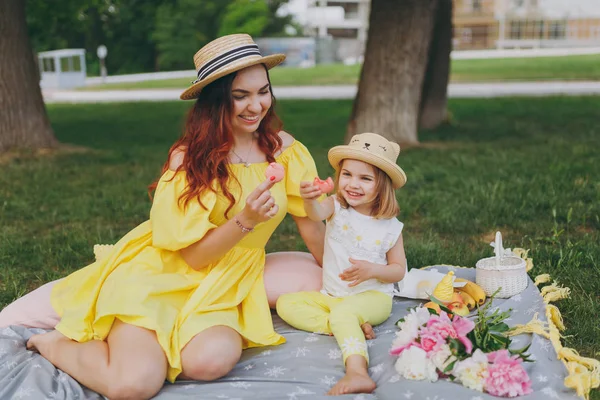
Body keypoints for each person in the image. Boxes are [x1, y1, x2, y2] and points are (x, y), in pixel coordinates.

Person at [20, 34, 327, 400]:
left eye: (263, 91)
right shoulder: (190, 160)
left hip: (226, 282)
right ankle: (53, 343)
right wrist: (245, 218)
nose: (255, 106)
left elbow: (311, 225)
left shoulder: (286, 151)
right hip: (163, 276)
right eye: (239, 96)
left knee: (209, 363)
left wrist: (342, 284)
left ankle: (152, 350)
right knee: (132, 386)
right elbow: (192, 257)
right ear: (215, 102)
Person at [276, 132, 408, 396]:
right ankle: (344, 325)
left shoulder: (389, 227)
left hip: (372, 297)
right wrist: (309, 198)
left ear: (382, 185)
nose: (353, 184)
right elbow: (315, 214)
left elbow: (398, 270)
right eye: (347, 174)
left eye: (365, 178)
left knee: (344, 313)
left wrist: (373, 270)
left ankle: (357, 371)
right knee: (286, 304)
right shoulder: (336, 205)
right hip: (333, 297)